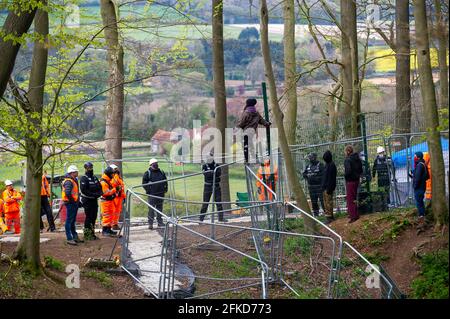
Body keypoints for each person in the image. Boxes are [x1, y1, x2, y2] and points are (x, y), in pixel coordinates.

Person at [236, 98, 271, 163]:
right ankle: (254, 157)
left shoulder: (246, 113)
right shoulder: (256, 113)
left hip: (245, 132)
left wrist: (236, 128)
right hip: (252, 132)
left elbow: (241, 123)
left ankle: (247, 160)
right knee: (250, 144)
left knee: (245, 145)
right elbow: (262, 121)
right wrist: (267, 124)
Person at [199, 154, 227, 222]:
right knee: (205, 203)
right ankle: (201, 219)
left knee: (218, 203)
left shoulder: (217, 166)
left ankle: (221, 218)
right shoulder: (204, 166)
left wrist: (211, 173)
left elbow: (218, 174)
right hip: (207, 187)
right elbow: (206, 175)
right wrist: (213, 173)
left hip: (216, 186)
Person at [142, 158, 168, 230]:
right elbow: (144, 184)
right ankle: (150, 224)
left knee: (159, 209)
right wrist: (149, 191)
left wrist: (165, 189)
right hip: (152, 195)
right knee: (151, 210)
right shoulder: (147, 173)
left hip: (160, 194)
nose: (156, 164)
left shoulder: (161, 172)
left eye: (156, 162)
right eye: (154, 163)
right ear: (151, 165)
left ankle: (160, 223)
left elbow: (165, 181)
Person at [80, 162, 102, 240]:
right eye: (89, 168)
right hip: (87, 200)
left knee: (94, 217)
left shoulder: (95, 177)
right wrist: (93, 195)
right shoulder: (84, 178)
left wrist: (99, 194)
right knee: (88, 217)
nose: (91, 169)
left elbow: (100, 187)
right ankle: (87, 235)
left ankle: (92, 234)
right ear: (86, 169)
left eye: (91, 167)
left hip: (94, 200)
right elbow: (84, 190)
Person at [62, 166, 83, 245]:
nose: (77, 173)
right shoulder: (68, 181)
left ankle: (74, 237)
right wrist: (73, 201)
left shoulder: (73, 180)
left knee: (72, 220)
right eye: (76, 172)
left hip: (73, 203)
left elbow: (74, 193)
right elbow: (68, 193)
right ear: (72, 173)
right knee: (69, 220)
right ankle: (69, 238)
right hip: (70, 203)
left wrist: (77, 202)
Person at [344, 145, 363, 223]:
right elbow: (361, 169)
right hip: (356, 180)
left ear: (348, 151)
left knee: (350, 198)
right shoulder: (357, 159)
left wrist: (345, 175)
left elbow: (348, 171)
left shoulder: (348, 160)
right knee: (354, 197)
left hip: (350, 181)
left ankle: (353, 216)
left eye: (345, 151)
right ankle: (355, 213)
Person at [302, 153, 325, 217]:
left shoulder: (320, 165)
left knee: (322, 200)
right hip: (311, 187)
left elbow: (323, 175)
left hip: (319, 186)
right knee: (313, 201)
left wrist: (316, 177)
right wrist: (308, 176)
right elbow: (304, 174)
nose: (310, 159)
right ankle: (316, 214)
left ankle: (326, 213)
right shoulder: (308, 166)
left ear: (315, 157)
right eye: (309, 158)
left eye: (311, 157)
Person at [372, 146, 393, 211]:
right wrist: (373, 176)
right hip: (381, 178)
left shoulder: (388, 159)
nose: (381, 153)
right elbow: (374, 169)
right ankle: (383, 204)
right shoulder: (377, 160)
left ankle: (388, 203)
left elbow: (392, 167)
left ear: (383, 152)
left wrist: (393, 176)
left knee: (387, 191)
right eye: (380, 152)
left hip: (386, 177)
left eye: (381, 152)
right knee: (381, 191)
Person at [412, 151, 429, 229]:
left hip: (419, 187)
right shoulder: (424, 164)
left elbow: (418, 177)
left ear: (418, 157)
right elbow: (427, 176)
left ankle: (421, 219)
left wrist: (415, 186)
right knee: (421, 202)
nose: (414, 158)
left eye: (415, 156)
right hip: (423, 186)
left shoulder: (419, 165)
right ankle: (423, 217)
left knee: (419, 203)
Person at [100, 167, 118, 237]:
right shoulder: (103, 182)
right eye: (112, 174)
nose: (113, 175)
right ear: (109, 174)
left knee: (110, 215)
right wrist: (115, 190)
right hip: (105, 202)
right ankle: (105, 231)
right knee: (107, 216)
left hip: (109, 201)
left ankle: (109, 229)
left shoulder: (107, 181)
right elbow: (106, 193)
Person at [321, 150, 337, 223]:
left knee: (328, 203)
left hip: (328, 188)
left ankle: (330, 217)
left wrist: (329, 188)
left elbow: (331, 178)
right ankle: (328, 216)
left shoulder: (331, 165)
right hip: (325, 187)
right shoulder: (327, 165)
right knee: (326, 203)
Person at [109, 164, 125, 231]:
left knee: (117, 211)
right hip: (115, 196)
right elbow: (114, 184)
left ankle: (115, 224)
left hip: (120, 196)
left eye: (116, 168)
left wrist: (124, 197)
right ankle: (112, 224)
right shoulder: (113, 177)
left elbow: (121, 186)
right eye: (115, 169)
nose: (116, 170)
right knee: (114, 211)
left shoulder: (118, 176)